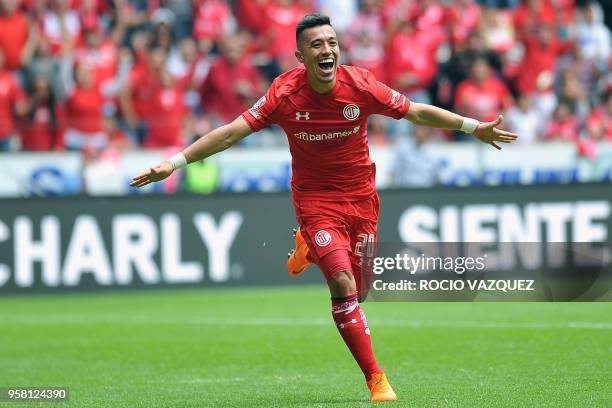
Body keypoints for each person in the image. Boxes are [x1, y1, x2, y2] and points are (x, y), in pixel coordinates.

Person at [130, 14, 517, 403]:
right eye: (316, 45)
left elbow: (416, 111)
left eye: (332, 42)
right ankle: (376, 379)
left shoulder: (361, 84)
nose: (327, 50)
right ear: (301, 55)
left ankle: (309, 248)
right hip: (315, 201)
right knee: (343, 285)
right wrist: (174, 163)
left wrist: (473, 127)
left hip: (362, 199)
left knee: (360, 291)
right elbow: (231, 132)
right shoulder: (284, 93)